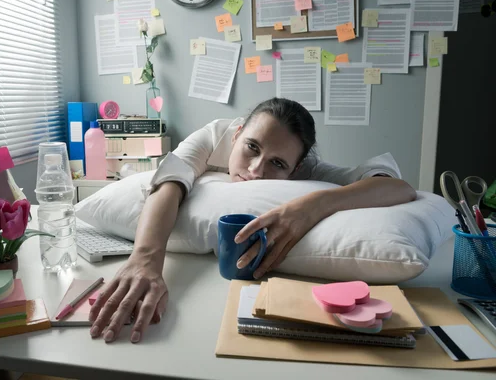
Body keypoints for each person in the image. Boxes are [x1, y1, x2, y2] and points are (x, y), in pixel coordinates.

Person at [88, 98, 416, 344]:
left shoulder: (307, 170)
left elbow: (394, 185)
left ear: (297, 168)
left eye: (277, 163)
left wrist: (314, 204)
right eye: (251, 147)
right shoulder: (213, 136)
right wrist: (145, 259)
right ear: (238, 133)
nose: (257, 169)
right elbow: (169, 183)